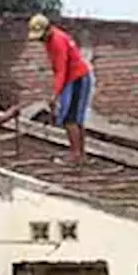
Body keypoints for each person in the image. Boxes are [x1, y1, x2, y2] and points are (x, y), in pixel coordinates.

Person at [26, 14, 94, 165]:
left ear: (48, 29)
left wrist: (55, 94)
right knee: (75, 118)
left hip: (77, 79)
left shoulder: (57, 41)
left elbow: (61, 70)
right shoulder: (53, 39)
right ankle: (80, 154)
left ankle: (76, 155)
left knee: (70, 118)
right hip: (76, 77)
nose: (40, 40)